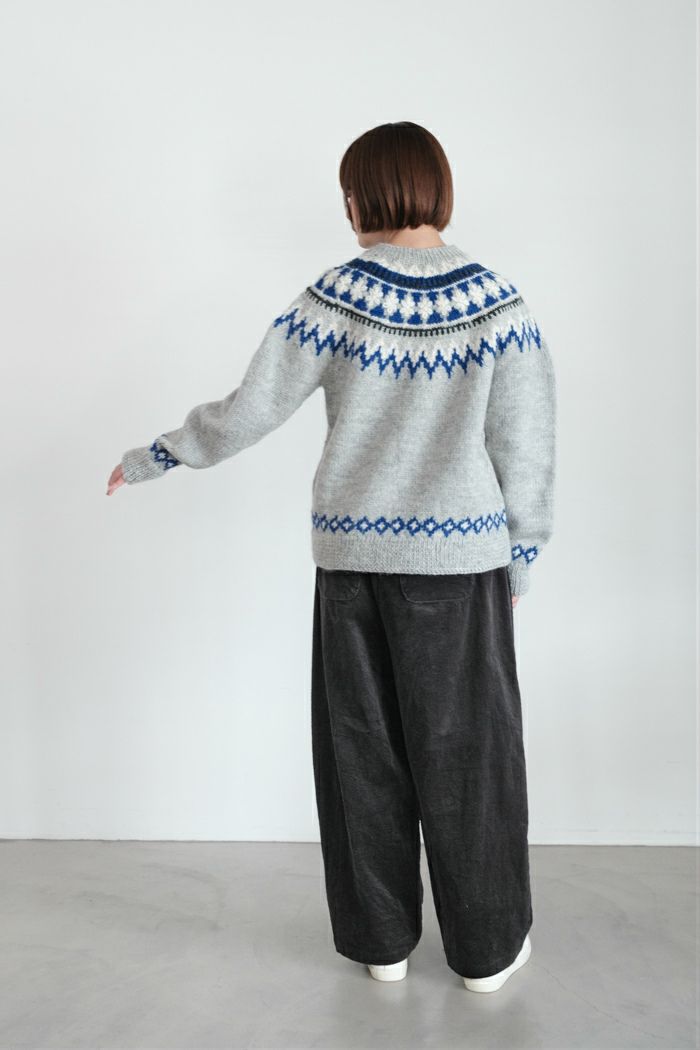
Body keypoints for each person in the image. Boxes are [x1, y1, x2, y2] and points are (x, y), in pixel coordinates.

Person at [107, 121, 556, 993]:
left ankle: (381, 944)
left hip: (353, 564)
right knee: (471, 756)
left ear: (361, 197)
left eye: (344, 193)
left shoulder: (335, 296)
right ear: (438, 189)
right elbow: (525, 443)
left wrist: (159, 455)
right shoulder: (499, 302)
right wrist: (522, 556)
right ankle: (487, 952)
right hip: (462, 570)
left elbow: (250, 408)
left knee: (361, 751)